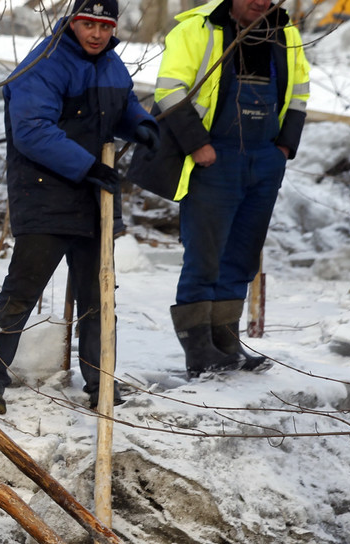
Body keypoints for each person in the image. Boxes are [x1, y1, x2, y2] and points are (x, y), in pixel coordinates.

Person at [0, 0, 157, 413]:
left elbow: (122, 106)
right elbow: (32, 131)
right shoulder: (46, 62)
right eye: (88, 24)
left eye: (104, 26)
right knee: (23, 290)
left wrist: (141, 124)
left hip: (95, 195)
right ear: (72, 22)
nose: (96, 33)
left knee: (99, 294)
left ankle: (100, 383)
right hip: (45, 193)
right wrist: (87, 166)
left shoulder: (112, 65)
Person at [129, 0, 309, 378]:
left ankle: (226, 341)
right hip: (214, 156)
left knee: (242, 256)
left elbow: (299, 93)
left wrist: (284, 147)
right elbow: (170, 90)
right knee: (205, 255)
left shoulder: (286, 32)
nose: (261, 2)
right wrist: (198, 143)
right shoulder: (197, 28)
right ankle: (199, 351)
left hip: (264, 159)